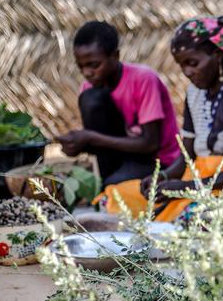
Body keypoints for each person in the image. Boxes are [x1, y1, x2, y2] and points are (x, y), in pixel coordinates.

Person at [97, 16, 223, 221]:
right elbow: (188, 156)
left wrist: (186, 188)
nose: (187, 72)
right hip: (200, 181)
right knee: (116, 198)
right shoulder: (196, 92)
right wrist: (163, 178)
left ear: (217, 54)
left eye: (193, 63)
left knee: (194, 216)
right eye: (181, 65)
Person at [56, 21, 180, 186]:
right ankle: (109, 177)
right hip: (122, 157)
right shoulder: (88, 89)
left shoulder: (143, 79)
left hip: (158, 161)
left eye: (94, 65)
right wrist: (78, 145)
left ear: (115, 56)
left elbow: (150, 144)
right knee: (90, 98)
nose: (87, 73)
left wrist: (90, 138)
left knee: (112, 188)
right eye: (81, 67)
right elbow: (104, 141)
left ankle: (110, 181)